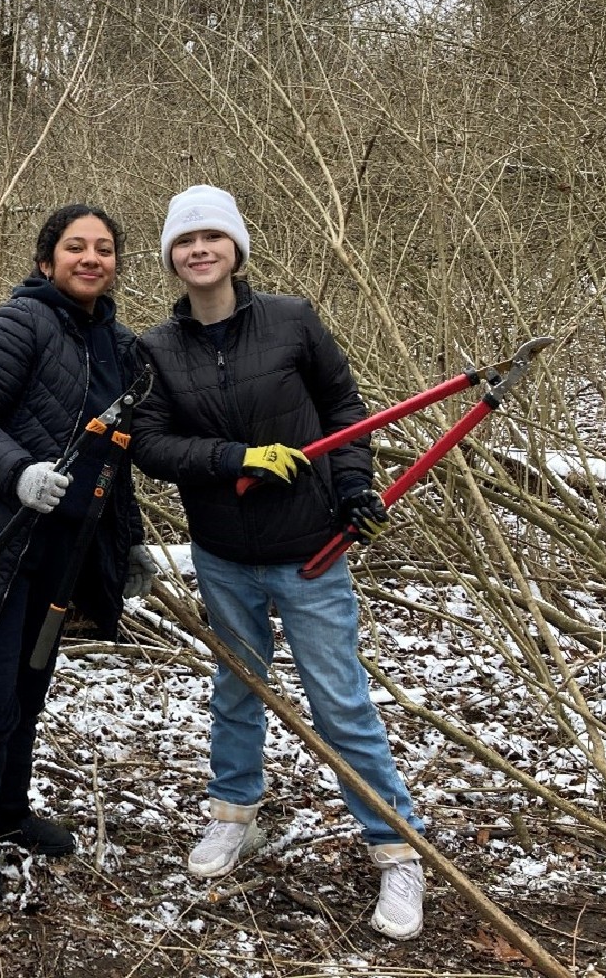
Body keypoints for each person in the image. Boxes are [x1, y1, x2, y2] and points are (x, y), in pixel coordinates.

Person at [131, 185, 425, 941]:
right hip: (224, 555)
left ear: (235, 248)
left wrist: (355, 485)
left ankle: (397, 849)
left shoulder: (292, 320)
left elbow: (345, 410)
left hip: (310, 552)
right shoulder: (156, 350)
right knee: (238, 689)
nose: (199, 250)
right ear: (171, 256)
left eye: (212, 237)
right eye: (185, 241)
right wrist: (234, 458)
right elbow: (152, 447)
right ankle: (233, 815)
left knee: (340, 703)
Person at [0, 204, 155, 904]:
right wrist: (18, 472)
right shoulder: (20, 322)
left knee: (23, 697)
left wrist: (126, 544)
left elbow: (118, 461)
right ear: (47, 261)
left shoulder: (122, 348)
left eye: (104, 248)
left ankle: (9, 816)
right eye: (76, 246)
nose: (91, 258)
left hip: (56, 558)